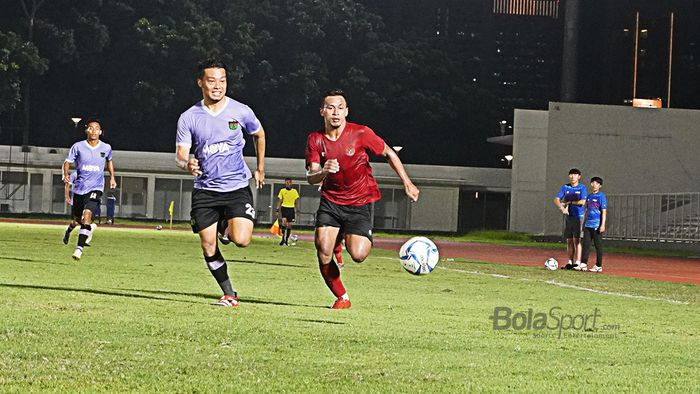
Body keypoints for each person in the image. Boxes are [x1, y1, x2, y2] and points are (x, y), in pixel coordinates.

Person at [305, 89, 420, 309]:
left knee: (358, 255)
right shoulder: (315, 140)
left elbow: (389, 153)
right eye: (330, 108)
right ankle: (342, 297)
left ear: (347, 111)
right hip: (331, 201)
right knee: (323, 251)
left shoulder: (361, 133)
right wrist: (324, 171)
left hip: (359, 202)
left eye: (340, 107)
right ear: (322, 112)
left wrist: (407, 182)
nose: (335, 112)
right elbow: (311, 177)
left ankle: (344, 239)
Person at [175, 58, 266, 308]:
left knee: (242, 240)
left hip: (236, 187)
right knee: (208, 245)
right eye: (212, 80)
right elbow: (181, 154)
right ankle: (228, 293)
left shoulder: (241, 111)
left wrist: (260, 168)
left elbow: (259, 134)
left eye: (222, 80)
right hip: (205, 190)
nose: (218, 86)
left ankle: (225, 224)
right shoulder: (188, 117)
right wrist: (187, 164)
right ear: (200, 83)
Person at [62, 118, 117, 260]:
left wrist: (112, 177)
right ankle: (72, 230)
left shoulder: (106, 148)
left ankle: (79, 249)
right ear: (87, 130)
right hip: (80, 189)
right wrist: (66, 175)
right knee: (78, 220)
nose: (93, 131)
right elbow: (67, 162)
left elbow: (109, 161)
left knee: (87, 216)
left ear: (100, 132)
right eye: (91, 128)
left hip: (96, 187)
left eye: (96, 128)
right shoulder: (78, 147)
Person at [553, 168, 587, 270]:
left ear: (579, 177)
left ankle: (578, 262)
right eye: (571, 175)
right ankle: (570, 261)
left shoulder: (582, 188)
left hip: (578, 217)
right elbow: (556, 199)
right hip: (569, 217)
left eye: (575, 175)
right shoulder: (566, 187)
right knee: (569, 240)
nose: (572, 177)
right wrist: (561, 208)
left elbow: (582, 202)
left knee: (577, 239)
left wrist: (569, 202)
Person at [62, 172, 97, 245]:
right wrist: (67, 197)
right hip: (77, 201)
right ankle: (68, 231)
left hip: (87, 201)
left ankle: (84, 239)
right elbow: (67, 184)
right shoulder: (75, 174)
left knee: (88, 221)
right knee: (76, 221)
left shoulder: (91, 174)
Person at [581, 177, 607, 272]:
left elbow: (604, 211)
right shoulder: (589, 196)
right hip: (588, 224)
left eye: (597, 183)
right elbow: (586, 210)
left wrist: (602, 225)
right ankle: (583, 263)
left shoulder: (601, 196)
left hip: (597, 225)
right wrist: (583, 223)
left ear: (600, 186)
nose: (594, 185)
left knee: (598, 245)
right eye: (593, 183)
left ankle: (598, 265)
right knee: (586, 244)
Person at [276, 177, 300, 246]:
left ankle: (286, 240)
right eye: (286, 183)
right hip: (284, 208)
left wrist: (297, 209)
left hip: (291, 209)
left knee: (289, 226)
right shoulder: (282, 191)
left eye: (288, 182)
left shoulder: (294, 191)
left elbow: (296, 201)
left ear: (291, 183)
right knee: (284, 224)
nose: (287, 184)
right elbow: (280, 200)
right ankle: (282, 239)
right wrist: (277, 209)